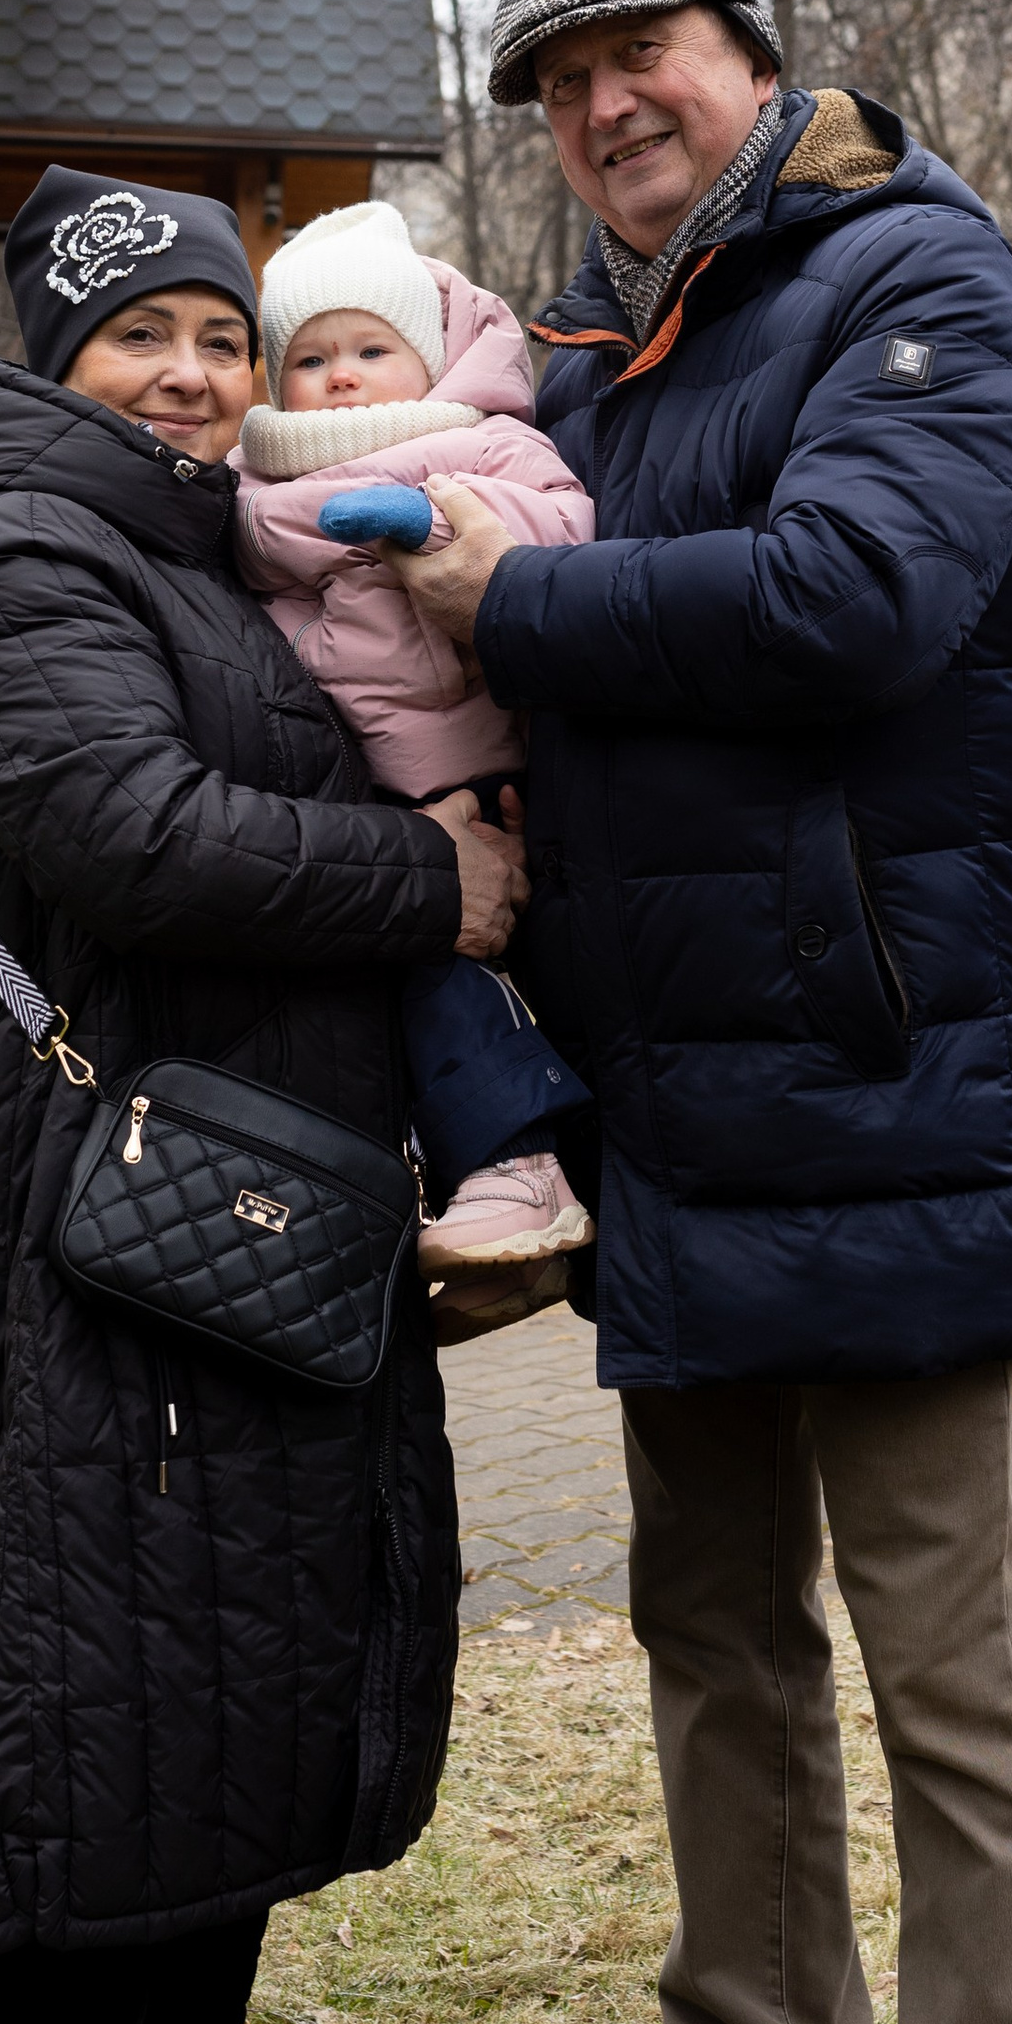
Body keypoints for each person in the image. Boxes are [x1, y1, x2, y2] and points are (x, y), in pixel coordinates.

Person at [384, 0, 1012, 2024]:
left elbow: (855, 598)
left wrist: (522, 593)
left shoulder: (916, 283)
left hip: (876, 1084)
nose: (604, 103)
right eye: (559, 76)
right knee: (710, 1621)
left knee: (952, 1686)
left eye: (643, 52)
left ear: (747, 56)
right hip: (672, 1111)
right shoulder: (593, 346)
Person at [0, 162, 526, 2024]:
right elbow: (131, 833)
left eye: (221, 336)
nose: (196, 370)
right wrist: (423, 878)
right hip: (91, 1221)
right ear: (53, 357)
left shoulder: (187, 543)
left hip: (251, 1206)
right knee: (85, 1692)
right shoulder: (8, 554)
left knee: (234, 1660)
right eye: (142, 333)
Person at [232, 196, 595, 1332]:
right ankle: (467, 1205)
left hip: (483, 778)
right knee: (381, 985)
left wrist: (437, 524)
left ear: (427, 357)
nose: (342, 378)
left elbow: (565, 530)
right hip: (368, 795)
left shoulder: (478, 441)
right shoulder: (259, 498)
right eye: (312, 357)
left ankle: (518, 1164)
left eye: (370, 349)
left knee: (449, 976)